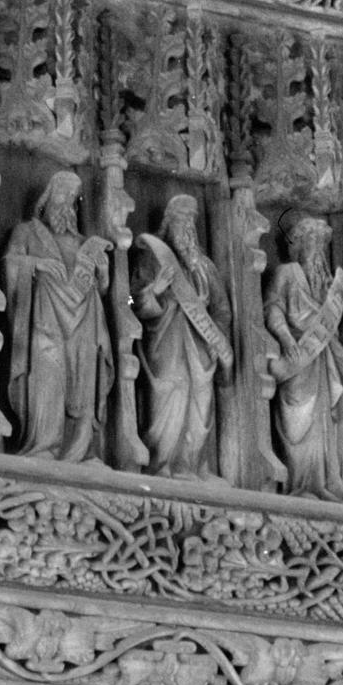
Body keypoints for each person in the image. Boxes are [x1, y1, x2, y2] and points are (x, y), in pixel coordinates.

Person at [2, 169, 111, 462]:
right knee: (48, 374)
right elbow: (10, 264)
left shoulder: (81, 243)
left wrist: (103, 272)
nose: (66, 204)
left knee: (84, 381)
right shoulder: (26, 232)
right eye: (61, 195)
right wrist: (36, 265)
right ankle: (45, 446)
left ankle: (81, 451)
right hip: (44, 317)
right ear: (47, 198)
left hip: (85, 319)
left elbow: (102, 288)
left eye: (73, 199)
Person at [264, 210, 343, 502]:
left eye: (323, 244)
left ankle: (337, 489)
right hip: (299, 360)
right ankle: (305, 486)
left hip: (329, 362)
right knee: (302, 423)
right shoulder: (287, 273)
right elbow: (272, 308)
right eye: (313, 242)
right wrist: (284, 337)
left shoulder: (331, 285)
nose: (319, 250)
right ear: (298, 245)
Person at [134, 192, 232, 478]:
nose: (187, 227)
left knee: (200, 403)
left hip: (201, 348)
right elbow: (127, 300)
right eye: (181, 220)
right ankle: (162, 464)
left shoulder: (205, 267)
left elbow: (223, 309)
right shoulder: (152, 259)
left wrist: (219, 334)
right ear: (168, 223)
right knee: (172, 393)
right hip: (166, 343)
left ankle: (190, 465)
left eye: (191, 221)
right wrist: (154, 290)